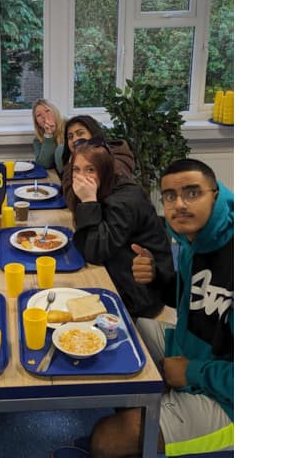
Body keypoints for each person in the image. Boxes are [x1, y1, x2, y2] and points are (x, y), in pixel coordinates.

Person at [72, 159, 234, 458]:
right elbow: (193, 301)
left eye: (192, 192)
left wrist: (193, 373)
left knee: (107, 440)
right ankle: (149, 409)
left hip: (230, 398)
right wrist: (157, 279)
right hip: (197, 349)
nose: (179, 204)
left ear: (215, 193)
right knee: (121, 328)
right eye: (170, 196)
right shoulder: (197, 240)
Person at [64, 137, 174, 319]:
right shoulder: (106, 186)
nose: (82, 177)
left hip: (140, 292)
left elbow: (96, 252)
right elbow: (87, 239)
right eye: (76, 169)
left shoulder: (125, 201)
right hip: (116, 268)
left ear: (105, 170)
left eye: (90, 169)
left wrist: (88, 201)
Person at [61, 115, 135, 183]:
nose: (74, 140)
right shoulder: (72, 161)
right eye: (70, 137)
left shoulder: (116, 161)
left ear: (93, 134)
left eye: (80, 133)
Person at [32, 99, 65, 172]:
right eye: (39, 115)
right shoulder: (37, 140)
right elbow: (44, 164)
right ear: (37, 123)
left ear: (55, 112)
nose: (44, 116)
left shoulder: (70, 126)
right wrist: (48, 135)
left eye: (47, 111)